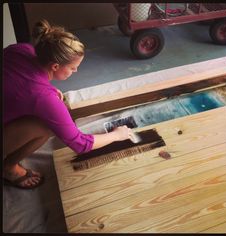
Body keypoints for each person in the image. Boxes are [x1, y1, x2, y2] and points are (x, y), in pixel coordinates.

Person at [3, 19, 132, 189]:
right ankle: (8, 168)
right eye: (72, 68)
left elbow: (18, 83)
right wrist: (117, 135)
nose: (75, 71)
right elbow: (81, 144)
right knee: (47, 126)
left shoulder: (21, 49)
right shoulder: (43, 97)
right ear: (55, 66)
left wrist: (44, 90)